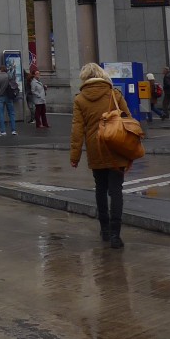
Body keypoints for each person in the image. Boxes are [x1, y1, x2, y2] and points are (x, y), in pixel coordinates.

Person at [70, 62, 136, 248]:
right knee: (116, 190)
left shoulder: (80, 100)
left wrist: (75, 157)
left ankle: (104, 230)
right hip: (116, 146)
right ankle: (116, 235)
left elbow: (77, 130)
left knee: (100, 188)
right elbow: (128, 120)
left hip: (95, 148)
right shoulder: (114, 94)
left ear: (84, 78)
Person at [0, 62, 17, 135]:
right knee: (11, 114)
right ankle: (13, 130)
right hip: (9, 97)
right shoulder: (9, 76)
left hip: (0, 97)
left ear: (0, 70)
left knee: (1, 114)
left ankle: (3, 131)